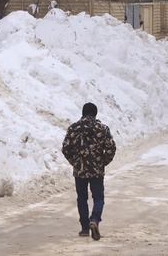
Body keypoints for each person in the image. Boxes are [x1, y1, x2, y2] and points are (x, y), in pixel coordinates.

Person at [62, 102, 117, 240]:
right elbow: (111, 148)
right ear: (95, 114)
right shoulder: (102, 128)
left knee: (82, 198)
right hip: (96, 170)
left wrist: (74, 162)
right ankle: (95, 219)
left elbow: (66, 148)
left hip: (79, 171)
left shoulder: (73, 128)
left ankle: (85, 228)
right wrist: (103, 162)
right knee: (98, 197)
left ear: (83, 113)